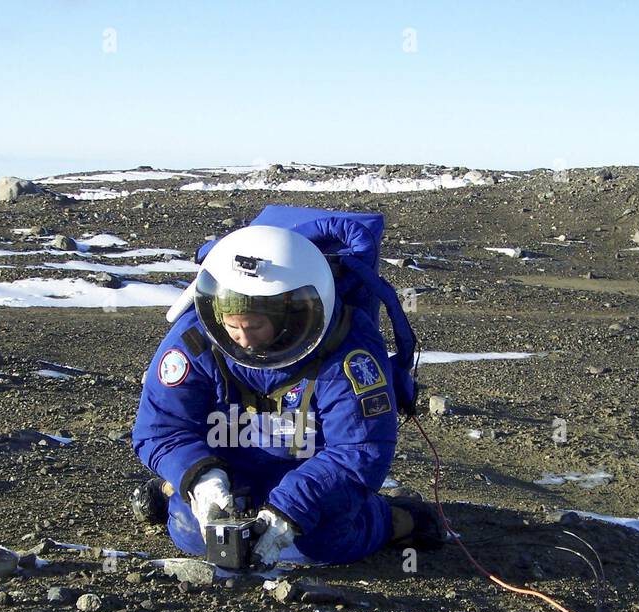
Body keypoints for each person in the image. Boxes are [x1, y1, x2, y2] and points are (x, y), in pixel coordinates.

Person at [131, 222, 442, 567]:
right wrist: (201, 477)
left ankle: (393, 519)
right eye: (233, 327)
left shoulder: (346, 351)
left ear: (290, 314)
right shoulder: (193, 343)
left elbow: (360, 451)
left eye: (255, 327)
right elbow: (161, 428)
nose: (243, 340)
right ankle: (176, 488)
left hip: (314, 475)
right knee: (192, 531)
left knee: (317, 544)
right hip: (229, 468)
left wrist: (291, 509)